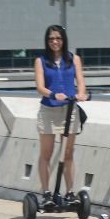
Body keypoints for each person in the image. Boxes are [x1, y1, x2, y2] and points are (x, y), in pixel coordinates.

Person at [33, 24, 89, 204]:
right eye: (51, 39)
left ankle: (70, 192)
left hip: (69, 110)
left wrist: (81, 93)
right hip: (49, 109)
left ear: (63, 40)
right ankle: (47, 193)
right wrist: (52, 94)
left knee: (68, 154)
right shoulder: (41, 61)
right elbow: (40, 87)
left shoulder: (74, 59)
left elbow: (80, 81)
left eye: (58, 38)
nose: (55, 42)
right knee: (46, 153)